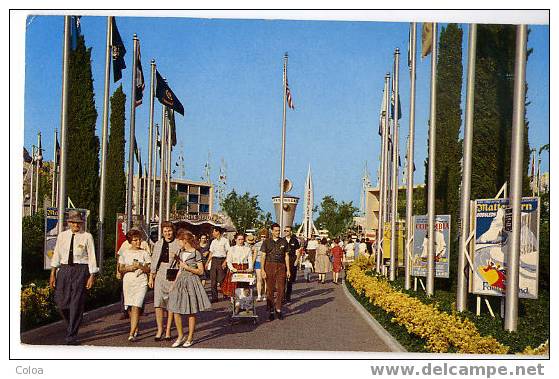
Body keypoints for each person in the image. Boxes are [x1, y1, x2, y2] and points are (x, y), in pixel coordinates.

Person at [49, 210, 98, 345]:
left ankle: (71, 335)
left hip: (80, 270)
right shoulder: (62, 236)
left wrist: (91, 276)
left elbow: (92, 256)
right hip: (64, 270)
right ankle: (72, 322)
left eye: (79, 223)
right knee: (61, 302)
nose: (77, 225)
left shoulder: (87, 236)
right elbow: (57, 255)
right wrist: (53, 273)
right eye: (74, 222)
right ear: (69, 223)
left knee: (76, 303)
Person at [167, 230, 211, 348]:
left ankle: (190, 337)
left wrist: (187, 267)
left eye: (179, 240)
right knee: (175, 309)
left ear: (184, 240)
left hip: (191, 281)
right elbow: (180, 270)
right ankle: (180, 336)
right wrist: (173, 285)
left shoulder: (196, 253)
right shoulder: (181, 253)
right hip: (181, 281)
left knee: (191, 311)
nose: (178, 243)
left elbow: (201, 271)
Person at [149, 221, 181, 341]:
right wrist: (151, 276)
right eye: (165, 231)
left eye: (169, 230)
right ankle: (159, 329)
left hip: (173, 273)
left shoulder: (178, 244)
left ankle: (168, 330)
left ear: (173, 231)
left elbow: (181, 261)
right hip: (160, 274)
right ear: (162, 232)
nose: (167, 233)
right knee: (158, 303)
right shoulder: (158, 243)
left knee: (171, 304)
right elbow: (154, 261)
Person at [118, 229, 151, 341]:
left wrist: (141, 266)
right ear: (130, 241)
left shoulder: (144, 253)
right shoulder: (125, 253)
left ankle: (131, 333)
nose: (138, 242)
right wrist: (129, 268)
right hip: (128, 281)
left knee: (137, 305)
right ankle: (135, 327)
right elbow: (121, 268)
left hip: (141, 281)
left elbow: (149, 269)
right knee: (130, 307)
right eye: (135, 240)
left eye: (139, 240)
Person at [260, 223, 290, 321]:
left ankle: (278, 309)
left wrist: (288, 269)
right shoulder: (266, 242)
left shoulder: (284, 242)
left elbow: (286, 256)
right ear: (272, 231)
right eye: (275, 230)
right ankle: (271, 310)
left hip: (281, 266)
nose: (277, 232)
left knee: (281, 289)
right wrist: (262, 270)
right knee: (270, 289)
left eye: (278, 230)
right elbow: (263, 256)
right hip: (269, 265)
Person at [221, 233, 254, 298]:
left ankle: (243, 303)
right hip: (234, 269)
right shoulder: (231, 249)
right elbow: (229, 261)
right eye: (239, 239)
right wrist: (232, 268)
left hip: (244, 269)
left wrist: (250, 268)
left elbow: (250, 260)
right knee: (234, 288)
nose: (241, 241)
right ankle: (234, 303)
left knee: (244, 288)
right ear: (235, 240)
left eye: (242, 239)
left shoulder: (247, 249)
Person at [206, 226, 230, 303]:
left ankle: (225, 293)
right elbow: (211, 252)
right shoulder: (213, 241)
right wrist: (207, 262)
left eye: (214, 232)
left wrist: (225, 262)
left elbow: (228, 252)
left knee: (221, 279)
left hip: (222, 260)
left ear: (218, 232)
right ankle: (214, 297)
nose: (213, 233)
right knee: (213, 280)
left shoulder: (225, 241)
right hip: (214, 260)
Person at [283, 225, 301, 302]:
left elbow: (298, 251)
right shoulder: (282, 240)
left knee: (290, 280)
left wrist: (297, 260)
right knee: (282, 280)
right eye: (285, 231)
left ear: (291, 232)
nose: (286, 232)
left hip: (292, 261)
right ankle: (282, 296)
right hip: (283, 261)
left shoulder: (295, 241)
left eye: (287, 231)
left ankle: (288, 296)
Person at [252, 228, 268, 302]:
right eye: (262, 236)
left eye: (264, 236)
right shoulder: (256, 245)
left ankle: (264, 294)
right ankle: (259, 295)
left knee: (265, 279)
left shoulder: (269, 244)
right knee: (259, 279)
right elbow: (254, 255)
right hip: (258, 262)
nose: (263, 238)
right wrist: (252, 265)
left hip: (266, 263)